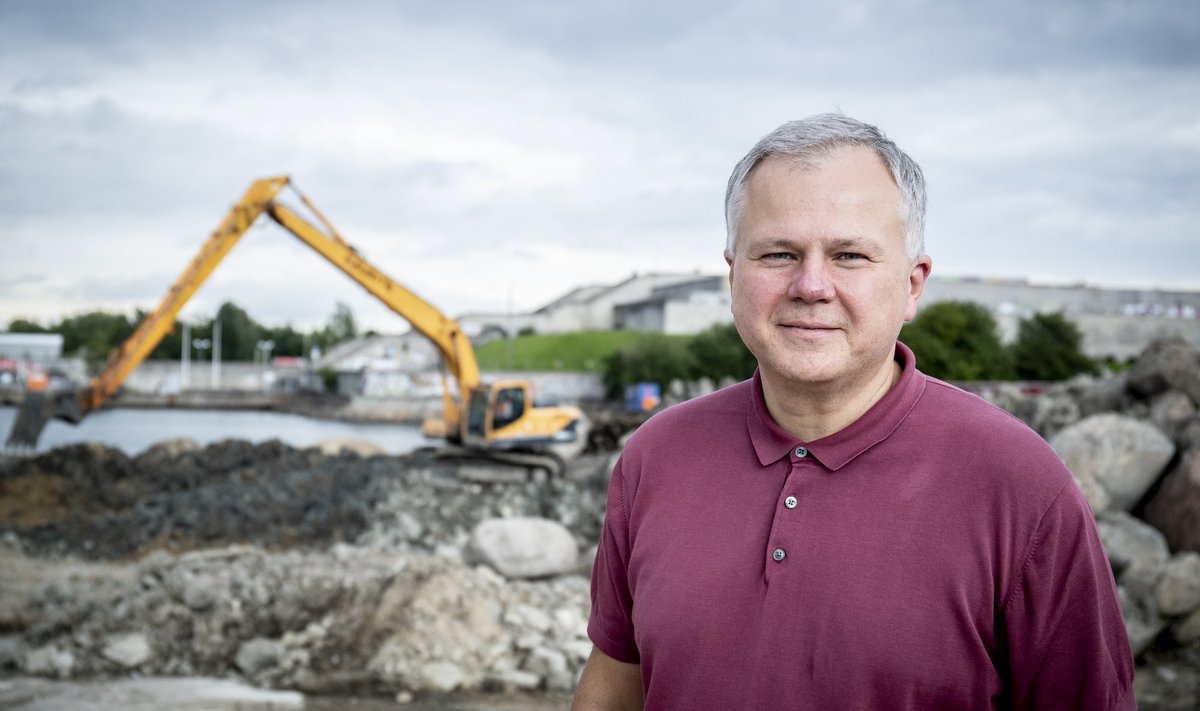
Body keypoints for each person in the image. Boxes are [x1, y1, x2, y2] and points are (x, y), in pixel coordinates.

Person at [571, 114, 1135, 710]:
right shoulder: (656, 456)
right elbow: (616, 681)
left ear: (913, 285)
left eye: (849, 255)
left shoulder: (1019, 484)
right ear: (733, 275)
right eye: (779, 253)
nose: (811, 285)